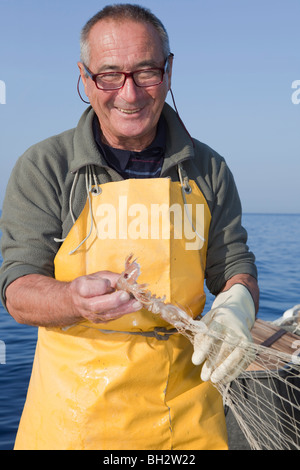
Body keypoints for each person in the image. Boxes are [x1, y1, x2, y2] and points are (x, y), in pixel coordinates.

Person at [0, 4, 259, 450]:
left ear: (170, 71)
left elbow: (234, 265)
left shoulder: (210, 168)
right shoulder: (46, 166)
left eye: (145, 72)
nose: (130, 93)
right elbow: (17, 291)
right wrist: (71, 299)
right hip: (74, 422)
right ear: (84, 78)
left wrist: (238, 303)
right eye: (109, 75)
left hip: (188, 419)